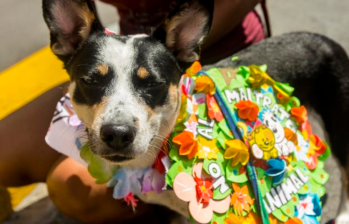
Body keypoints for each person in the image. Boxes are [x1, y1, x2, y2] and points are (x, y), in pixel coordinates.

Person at [0, 0, 266, 223]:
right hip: (116, 53)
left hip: (212, 50)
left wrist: (166, 50)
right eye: (93, 81)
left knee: (69, 186)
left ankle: (163, 206)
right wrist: (110, 51)